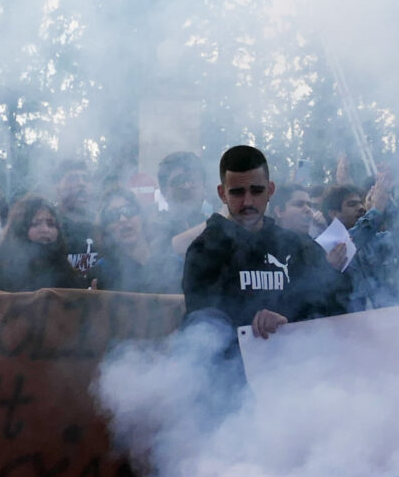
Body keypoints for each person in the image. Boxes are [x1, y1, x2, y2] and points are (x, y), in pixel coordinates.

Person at [180, 146, 350, 341]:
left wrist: (287, 322)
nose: (248, 202)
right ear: (222, 194)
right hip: (232, 367)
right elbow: (203, 323)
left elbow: (326, 307)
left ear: (270, 190)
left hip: (294, 362)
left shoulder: (295, 245)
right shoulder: (205, 250)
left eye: (257, 191)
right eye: (237, 193)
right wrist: (249, 324)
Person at [0, 196, 81, 292]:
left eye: (51, 224)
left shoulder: (67, 274)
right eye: (35, 224)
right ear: (18, 230)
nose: (45, 229)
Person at [93, 186, 181, 294]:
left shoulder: (172, 264)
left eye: (129, 210)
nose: (122, 219)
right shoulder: (104, 270)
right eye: (112, 215)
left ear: (141, 216)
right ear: (106, 228)